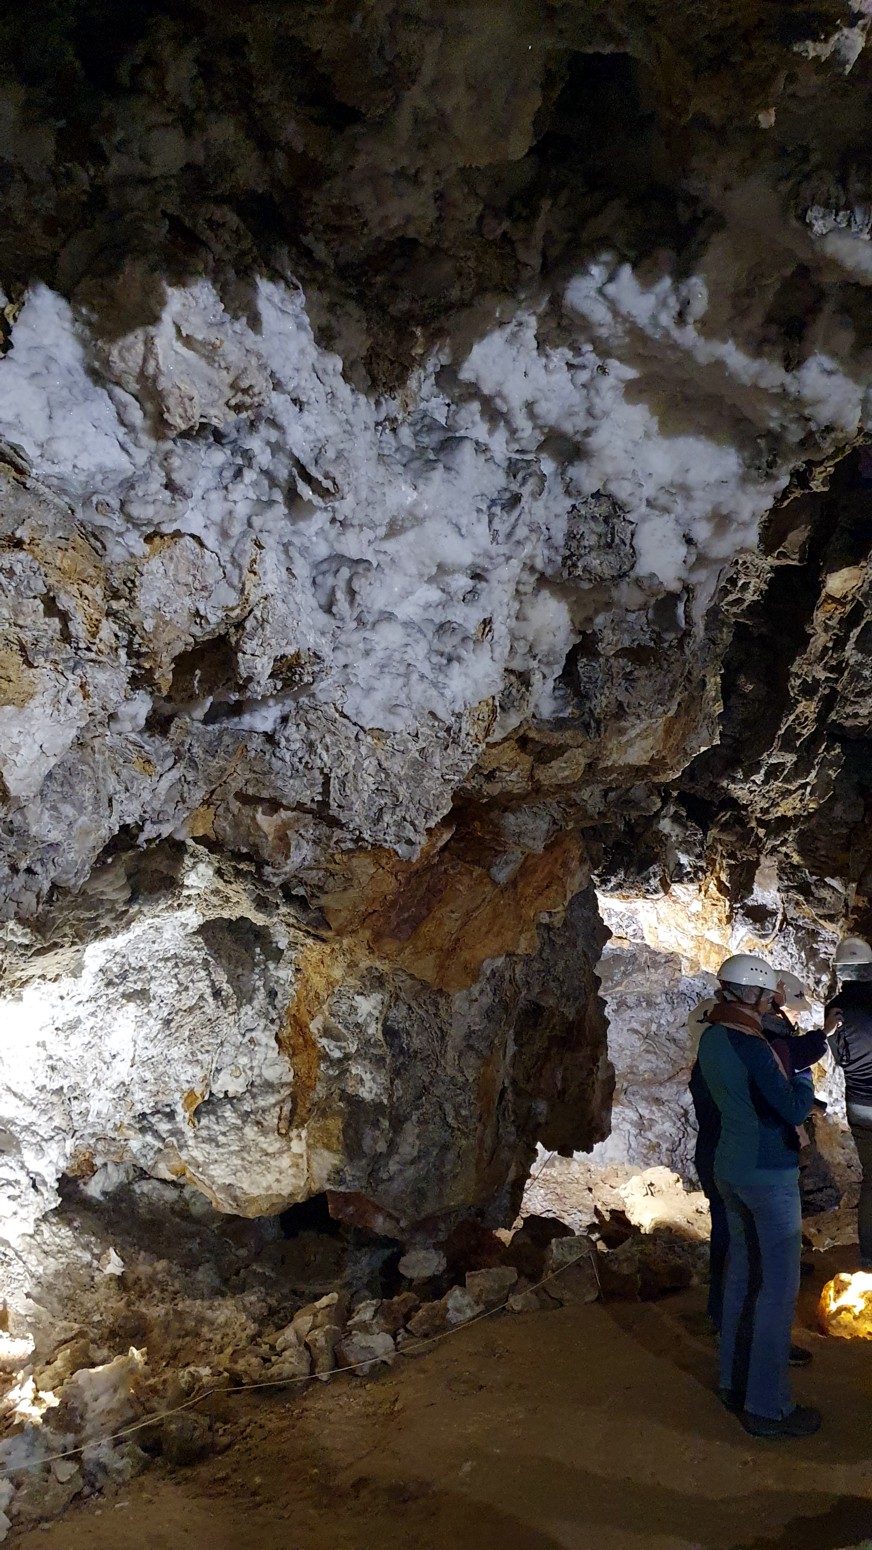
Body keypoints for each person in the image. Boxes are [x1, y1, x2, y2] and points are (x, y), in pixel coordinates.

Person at [696, 953, 819, 1437]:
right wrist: (803, 1073)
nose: (772, 1002)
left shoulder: (713, 1035)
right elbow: (791, 1108)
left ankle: (733, 1383)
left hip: (730, 1166)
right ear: (752, 994)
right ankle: (768, 1407)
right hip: (767, 1173)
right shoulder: (750, 1044)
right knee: (778, 1291)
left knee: (743, 1277)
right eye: (768, 996)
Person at [827, 936, 872, 1270]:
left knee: (871, 1180)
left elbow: (840, 1058)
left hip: (859, 1103)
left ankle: (868, 1256)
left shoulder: (835, 1008)